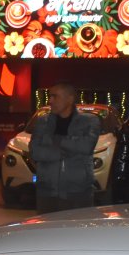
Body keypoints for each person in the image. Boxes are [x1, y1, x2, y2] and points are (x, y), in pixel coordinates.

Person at [28, 82, 101, 213]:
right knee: (47, 231)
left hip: (78, 192)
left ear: (70, 99)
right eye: (50, 96)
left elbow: (86, 146)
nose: (50, 101)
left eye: (55, 96)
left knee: (76, 232)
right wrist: (64, 152)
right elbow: (35, 152)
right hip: (47, 191)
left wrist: (57, 140)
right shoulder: (43, 122)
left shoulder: (89, 121)